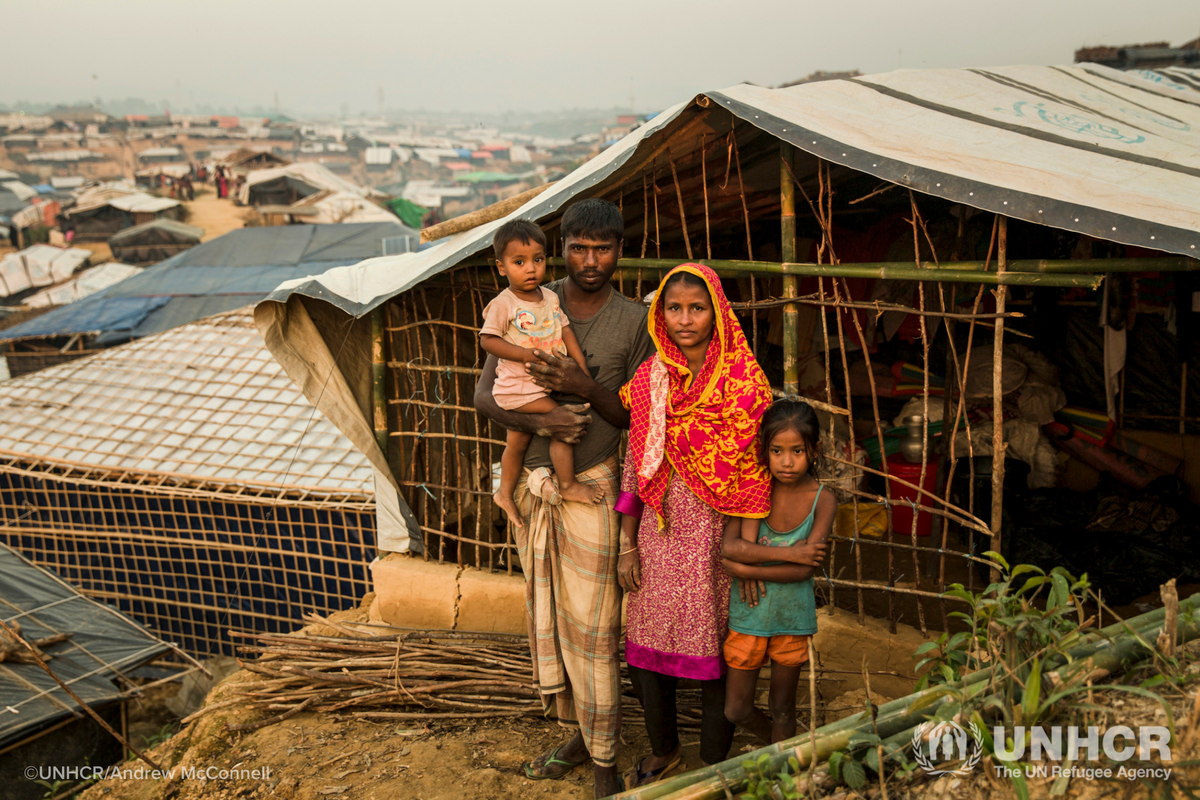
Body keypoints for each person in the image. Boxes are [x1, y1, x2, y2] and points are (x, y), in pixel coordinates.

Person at [474, 198, 654, 798]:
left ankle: (603, 762)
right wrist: (549, 426)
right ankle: (581, 734)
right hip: (539, 487)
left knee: (596, 629)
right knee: (554, 619)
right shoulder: (530, 300)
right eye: (579, 247)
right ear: (563, 247)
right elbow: (483, 397)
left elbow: (635, 417)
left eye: (603, 248)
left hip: (595, 486)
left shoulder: (634, 324)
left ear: (619, 251)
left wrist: (581, 385)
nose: (590, 260)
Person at [615, 263, 773, 787]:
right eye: (674, 308)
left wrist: (746, 553)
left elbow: (756, 471)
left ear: (717, 313)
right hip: (658, 532)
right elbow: (636, 459)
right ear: (660, 314)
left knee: (715, 644)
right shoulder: (650, 378)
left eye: (697, 308)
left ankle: (712, 761)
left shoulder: (744, 381)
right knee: (644, 642)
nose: (685, 319)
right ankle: (664, 750)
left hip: (718, 536)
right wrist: (626, 544)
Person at [721, 398, 834, 744]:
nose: (786, 462)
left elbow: (803, 572)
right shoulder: (753, 489)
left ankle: (780, 772)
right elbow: (728, 549)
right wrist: (795, 555)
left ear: (814, 450)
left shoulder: (823, 500)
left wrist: (747, 566)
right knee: (736, 709)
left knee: (783, 707)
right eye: (777, 451)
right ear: (764, 451)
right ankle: (775, 745)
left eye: (797, 451)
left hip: (792, 616)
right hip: (749, 616)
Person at [479, 219, 603, 525]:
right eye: (519, 262)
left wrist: (582, 367)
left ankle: (504, 493)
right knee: (562, 425)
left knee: (516, 443)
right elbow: (487, 340)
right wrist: (522, 353)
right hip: (517, 388)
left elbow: (566, 331)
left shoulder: (549, 298)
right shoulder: (503, 303)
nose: (531, 269)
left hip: (536, 385)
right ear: (501, 267)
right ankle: (569, 484)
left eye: (537, 260)